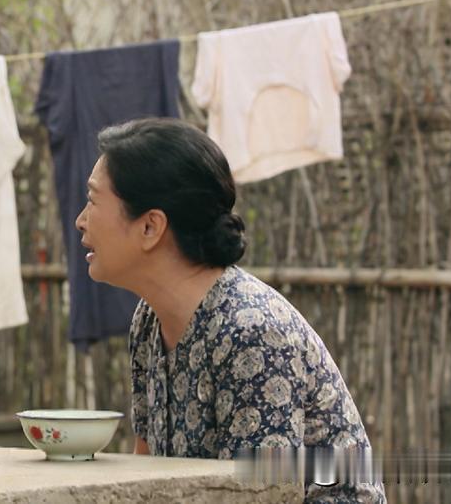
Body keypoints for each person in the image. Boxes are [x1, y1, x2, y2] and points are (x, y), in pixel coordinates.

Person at [76, 118, 383, 503]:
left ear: (151, 227)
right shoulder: (149, 319)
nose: (81, 220)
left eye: (92, 200)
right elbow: (147, 469)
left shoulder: (251, 329)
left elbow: (264, 497)